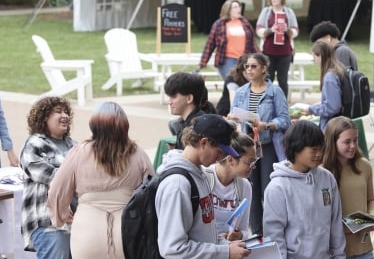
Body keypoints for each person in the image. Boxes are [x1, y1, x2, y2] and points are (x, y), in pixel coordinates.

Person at [48, 102, 154, 259]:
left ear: (94, 125)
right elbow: (152, 193)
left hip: (86, 231)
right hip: (127, 231)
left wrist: (60, 216)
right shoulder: (138, 154)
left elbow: (56, 191)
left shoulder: (79, 152)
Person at [155, 114, 250, 259]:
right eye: (219, 152)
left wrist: (225, 245)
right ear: (204, 142)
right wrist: (226, 252)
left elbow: (203, 234)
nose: (220, 158)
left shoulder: (199, 174)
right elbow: (173, 248)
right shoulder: (177, 184)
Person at [263, 120, 346, 259]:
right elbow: (274, 236)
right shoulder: (277, 188)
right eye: (313, 149)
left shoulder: (327, 178)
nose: (319, 154)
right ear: (296, 148)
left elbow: (336, 222)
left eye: (321, 148)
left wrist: (339, 256)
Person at [228, 52, 290, 236]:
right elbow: (234, 114)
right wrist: (235, 118)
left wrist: (267, 125)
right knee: (251, 190)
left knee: (268, 190)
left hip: (268, 145)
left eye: (253, 66)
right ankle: (257, 231)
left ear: (264, 68)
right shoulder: (241, 92)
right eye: (246, 66)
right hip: (247, 146)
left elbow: (285, 119)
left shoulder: (275, 91)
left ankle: (274, 230)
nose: (249, 69)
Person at [20, 96, 77, 259]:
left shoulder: (75, 146)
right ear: (44, 117)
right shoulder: (34, 144)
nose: (65, 115)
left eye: (66, 112)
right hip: (49, 224)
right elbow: (52, 177)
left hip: (77, 224)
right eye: (58, 112)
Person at [322, 116, 374, 259]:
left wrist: (372, 217)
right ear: (332, 142)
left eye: (355, 140)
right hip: (334, 250)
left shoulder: (364, 165)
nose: (353, 145)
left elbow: (371, 200)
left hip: (363, 247)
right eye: (347, 142)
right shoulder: (321, 172)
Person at [204, 133, 256, 242]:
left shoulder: (244, 186)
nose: (254, 166)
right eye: (250, 162)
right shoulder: (204, 177)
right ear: (230, 160)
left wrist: (239, 235)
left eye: (254, 162)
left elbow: (244, 230)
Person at [256, 0, 299, 98]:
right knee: (267, 78)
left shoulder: (289, 12)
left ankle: (283, 103)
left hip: (284, 52)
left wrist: (287, 30)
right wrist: (270, 30)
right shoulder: (266, 12)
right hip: (268, 52)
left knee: (283, 80)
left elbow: (295, 30)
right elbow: (258, 29)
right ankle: (266, 101)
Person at [199, 0, 259, 79]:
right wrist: (203, 61)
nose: (239, 9)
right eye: (235, 7)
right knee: (233, 83)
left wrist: (261, 58)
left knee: (241, 86)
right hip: (226, 60)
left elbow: (252, 43)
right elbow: (210, 44)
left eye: (239, 7)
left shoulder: (245, 23)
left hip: (244, 59)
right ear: (228, 10)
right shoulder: (219, 24)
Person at [307, 40, 344, 132]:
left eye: (314, 58)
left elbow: (333, 107)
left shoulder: (329, 77)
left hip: (331, 127)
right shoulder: (339, 69)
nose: (315, 62)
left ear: (320, 56)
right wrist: (321, 103)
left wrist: (312, 109)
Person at [164, 71, 207, 148]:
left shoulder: (194, 129)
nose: (169, 102)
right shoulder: (200, 120)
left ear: (189, 98)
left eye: (173, 97)